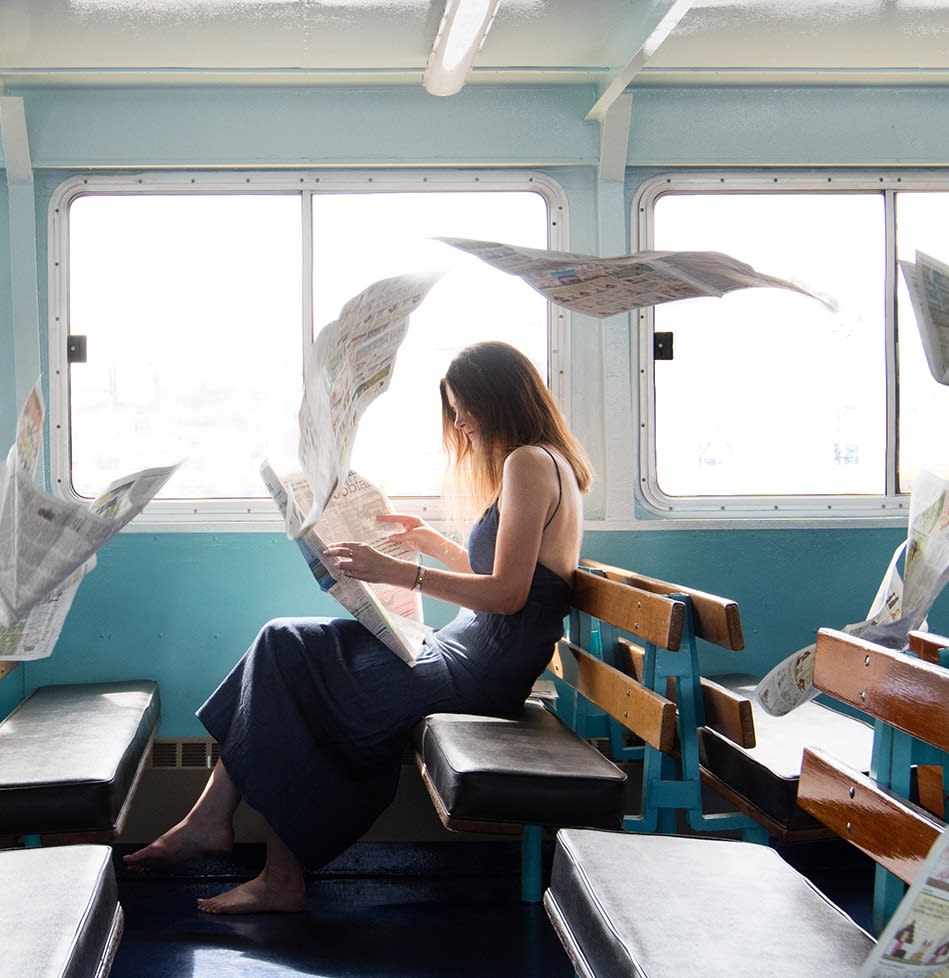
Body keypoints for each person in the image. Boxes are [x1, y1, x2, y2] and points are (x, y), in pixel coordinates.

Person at [124, 340, 593, 914]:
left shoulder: (527, 462)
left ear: (502, 397)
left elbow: (510, 594)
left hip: (478, 675)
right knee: (283, 642)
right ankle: (212, 821)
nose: (462, 423)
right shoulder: (550, 462)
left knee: (294, 676)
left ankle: (268, 868)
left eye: (466, 406)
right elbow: (515, 577)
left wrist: (403, 571)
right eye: (455, 409)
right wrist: (432, 543)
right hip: (463, 651)